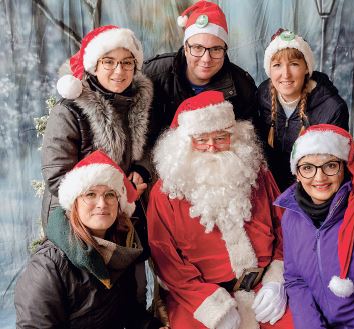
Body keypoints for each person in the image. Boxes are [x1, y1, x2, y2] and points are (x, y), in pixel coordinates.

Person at [147, 91, 294, 328]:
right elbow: (166, 260)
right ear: (184, 143)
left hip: (264, 288)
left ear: (235, 137)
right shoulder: (166, 192)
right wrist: (209, 305)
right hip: (199, 298)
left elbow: (285, 227)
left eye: (221, 137)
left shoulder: (258, 173)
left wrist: (278, 279)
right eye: (201, 139)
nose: (212, 147)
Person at [274, 124, 354, 328]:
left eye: (330, 165)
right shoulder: (292, 217)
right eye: (307, 167)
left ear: (345, 167)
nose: (319, 177)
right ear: (297, 174)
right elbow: (295, 279)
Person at [15, 150, 164, 329]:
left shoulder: (119, 249)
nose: (102, 203)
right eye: (90, 194)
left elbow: (129, 312)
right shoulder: (49, 266)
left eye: (110, 194)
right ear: (74, 204)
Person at [41, 25, 153, 225]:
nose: (119, 71)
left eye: (127, 62)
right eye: (109, 62)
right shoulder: (69, 111)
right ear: (94, 66)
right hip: (76, 218)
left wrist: (141, 170)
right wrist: (119, 190)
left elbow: (148, 146)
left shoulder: (137, 104)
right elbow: (58, 178)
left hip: (122, 213)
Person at [143, 0, 258, 148]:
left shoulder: (243, 87)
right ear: (185, 48)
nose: (206, 59)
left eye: (215, 49)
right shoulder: (153, 75)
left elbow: (247, 146)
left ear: (225, 50)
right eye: (197, 48)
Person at [257, 28, 349, 192]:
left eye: (294, 64)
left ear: (306, 68)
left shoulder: (332, 108)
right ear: (269, 69)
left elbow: (331, 170)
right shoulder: (262, 95)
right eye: (277, 65)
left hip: (311, 190)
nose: (285, 74)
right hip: (270, 188)